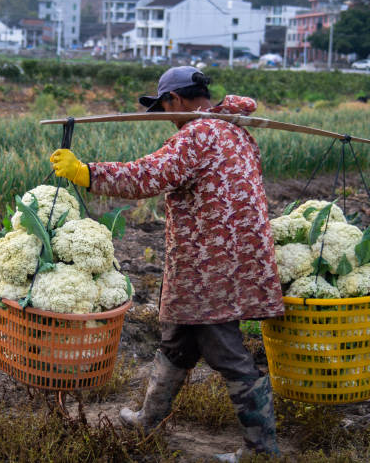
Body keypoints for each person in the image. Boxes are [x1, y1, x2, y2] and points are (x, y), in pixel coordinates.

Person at [50, 66, 284, 461]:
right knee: (176, 341)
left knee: (226, 350)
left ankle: (261, 451)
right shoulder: (235, 130)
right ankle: (148, 418)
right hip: (224, 259)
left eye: (165, 105)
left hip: (212, 266)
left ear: (176, 99)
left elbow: (148, 176)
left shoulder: (197, 134)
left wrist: (86, 172)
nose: (167, 114)